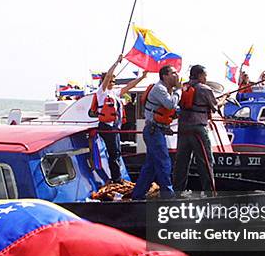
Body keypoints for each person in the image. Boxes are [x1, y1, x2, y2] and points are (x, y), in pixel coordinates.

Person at [173, 65, 227, 196]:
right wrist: (224, 99)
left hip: (183, 128)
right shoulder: (205, 89)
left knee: (181, 161)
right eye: (205, 75)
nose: (206, 78)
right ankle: (210, 193)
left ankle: (177, 192)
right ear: (199, 75)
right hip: (198, 128)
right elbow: (215, 106)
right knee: (205, 161)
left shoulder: (183, 88)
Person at [131, 65, 181, 200]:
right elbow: (170, 105)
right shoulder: (159, 89)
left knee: (151, 167)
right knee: (164, 163)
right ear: (165, 76)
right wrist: (179, 90)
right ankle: (168, 197)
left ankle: (137, 196)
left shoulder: (166, 90)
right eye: (174, 73)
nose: (176, 75)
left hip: (157, 131)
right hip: (154, 132)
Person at [95, 54, 148, 183]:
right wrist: (116, 63)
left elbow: (130, 86)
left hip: (115, 127)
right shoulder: (101, 93)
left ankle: (117, 177)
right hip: (106, 127)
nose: (112, 83)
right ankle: (116, 179)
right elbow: (108, 76)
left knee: (117, 153)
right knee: (114, 153)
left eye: (114, 81)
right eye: (110, 81)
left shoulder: (115, 93)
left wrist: (142, 77)